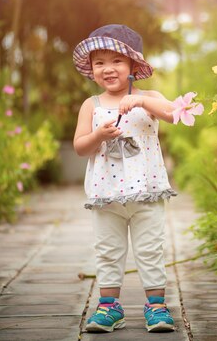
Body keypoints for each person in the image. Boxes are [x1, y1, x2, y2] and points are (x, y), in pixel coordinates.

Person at [72, 24, 177, 333]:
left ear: (133, 65)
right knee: (108, 249)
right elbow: (80, 147)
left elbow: (174, 114)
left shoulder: (150, 98)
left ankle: (156, 307)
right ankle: (108, 308)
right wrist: (98, 135)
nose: (108, 69)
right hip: (107, 195)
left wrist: (143, 102)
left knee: (150, 249)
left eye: (117, 60)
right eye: (99, 62)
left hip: (147, 192)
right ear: (91, 70)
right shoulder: (91, 106)